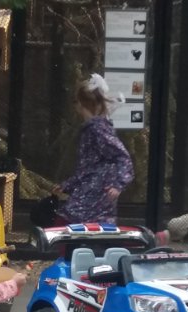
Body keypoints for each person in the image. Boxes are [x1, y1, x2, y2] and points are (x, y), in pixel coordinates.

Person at [52, 74, 134, 225]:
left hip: (95, 195)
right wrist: (68, 185)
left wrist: (118, 184)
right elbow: (88, 167)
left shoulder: (97, 129)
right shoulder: (94, 129)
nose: (75, 107)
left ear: (82, 103)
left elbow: (122, 156)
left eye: (76, 102)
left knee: (68, 224)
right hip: (94, 193)